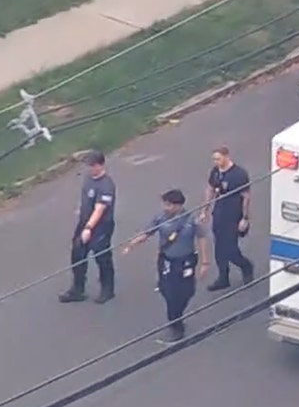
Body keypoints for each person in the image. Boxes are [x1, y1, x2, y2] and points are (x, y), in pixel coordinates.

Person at [123, 189, 210, 344]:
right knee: (168, 292)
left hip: (186, 261)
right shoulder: (160, 218)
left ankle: (177, 315)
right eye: (165, 204)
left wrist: (205, 262)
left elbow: (202, 238)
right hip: (167, 261)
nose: (165, 208)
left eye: (169, 205)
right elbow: (147, 233)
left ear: (178, 206)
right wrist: (131, 245)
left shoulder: (191, 221)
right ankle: (175, 323)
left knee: (186, 292)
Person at [60, 150, 117, 304]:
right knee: (77, 254)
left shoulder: (106, 185)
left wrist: (89, 228)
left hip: (100, 227)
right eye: (87, 165)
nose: (89, 168)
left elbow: (100, 209)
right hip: (84, 222)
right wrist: (80, 208)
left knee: (102, 257)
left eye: (92, 165)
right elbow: (85, 197)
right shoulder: (88, 179)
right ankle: (77, 289)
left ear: (100, 165)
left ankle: (107, 289)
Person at [201, 146, 255, 291]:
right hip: (219, 214)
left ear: (226, 156)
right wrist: (204, 211)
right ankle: (223, 277)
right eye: (214, 159)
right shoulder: (215, 172)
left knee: (230, 249)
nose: (216, 162)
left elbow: (246, 197)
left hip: (234, 215)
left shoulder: (239, 174)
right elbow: (210, 190)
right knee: (219, 248)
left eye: (218, 158)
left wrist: (245, 218)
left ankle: (246, 266)